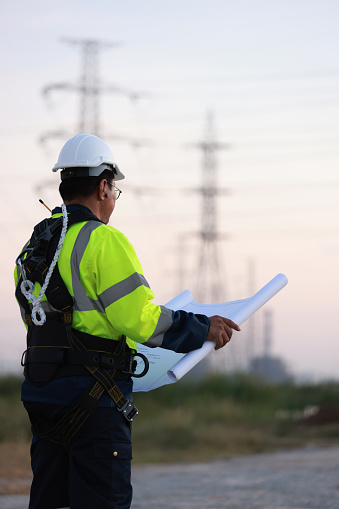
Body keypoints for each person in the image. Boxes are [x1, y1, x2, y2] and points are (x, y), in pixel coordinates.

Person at [14, 133, 240, 509]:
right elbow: (139, 319)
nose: (114, 199)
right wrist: (203, 327)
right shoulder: (103, 241)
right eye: (115, 190)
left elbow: (35, 322)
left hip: (42, 396)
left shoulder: (34, 246)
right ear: (104, 186)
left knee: (50, 501)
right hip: (94, 398)